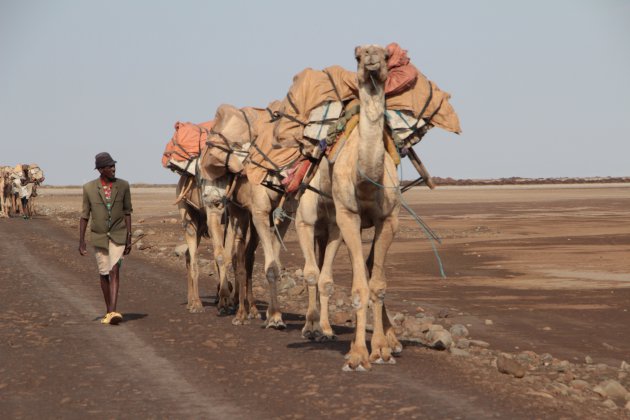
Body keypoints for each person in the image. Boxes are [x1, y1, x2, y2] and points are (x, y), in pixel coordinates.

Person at [79, 152, 133, 325]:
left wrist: (129, 236)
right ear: (101, 170)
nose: (113, 168)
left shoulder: (123, 186)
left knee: (114, 270)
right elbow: (84, 215)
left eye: (113, 165)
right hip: (99, 236)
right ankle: (109, 310)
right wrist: (81, 241)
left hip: (118, 234)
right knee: (104, 273)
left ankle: (113, 311)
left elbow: (127, 212)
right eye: (109, 166)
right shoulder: (88, 188)